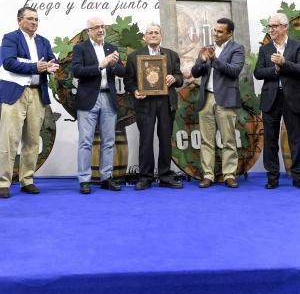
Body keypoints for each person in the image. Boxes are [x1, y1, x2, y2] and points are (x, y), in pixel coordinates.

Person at [0, 6, 59, 198]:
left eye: (36, 19)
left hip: (37, 93)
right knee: (9, 139)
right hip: (15, 93)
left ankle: (27, 179)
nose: (34, 22)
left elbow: (53, 60)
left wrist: (52, 66)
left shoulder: (43, 41)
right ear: (19, 20)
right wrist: (35, 66)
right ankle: (3, 182)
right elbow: (8, 62)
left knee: (33, 140)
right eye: (30, 19)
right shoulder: (10, 38)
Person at [124, 23, 184, 190]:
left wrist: (175, 78)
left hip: (166, 102)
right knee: (146, 140)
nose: (153, 35)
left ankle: (165, 175)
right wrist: (135, 91)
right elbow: (128, 80)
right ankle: (145, 177)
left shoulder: (172, 55)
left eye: (156, 32)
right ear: (144, 37)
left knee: (165, 140)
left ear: (161, 35)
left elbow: (180, 77)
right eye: (150, 33)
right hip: (145, 103)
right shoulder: (134, 57)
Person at [72, 16, 125, 194]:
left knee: (108, 141)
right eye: (96, 27)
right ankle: (84, 180)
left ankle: (106, 177)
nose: (101, 30)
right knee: (85, 142)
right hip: (88, 99)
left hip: (108, 99)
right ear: (89, 31)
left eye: (102, 27)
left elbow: (122, 72)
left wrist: (115, 64)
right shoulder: (80, 48)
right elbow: (77, 71)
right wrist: (100, 66)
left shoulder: (112, 48)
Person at [191, 18, 245, 188]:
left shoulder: (237, 49)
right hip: (206, 98)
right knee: (207, 140)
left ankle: (229, 174)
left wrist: (214, 60)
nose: (216, 33)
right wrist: (201, 60)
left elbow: (234, 71)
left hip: (226, 100)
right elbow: (195, 72)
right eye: (215, 30)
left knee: (228, 139)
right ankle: (208, 175)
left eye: (220, 31)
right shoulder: (208, 48)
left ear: (229, 33)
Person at [254, 13, 300, 189]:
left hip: (293, 98)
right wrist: (274, 68)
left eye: (274, 26)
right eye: (269, 26)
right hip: (271, 99)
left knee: (296, 139)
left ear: (285, 27)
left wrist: (284, 63)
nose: (271, 29)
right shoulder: (265, 49)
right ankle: (272, 177)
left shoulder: (297, 46)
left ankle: (298, 175)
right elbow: (258, 73)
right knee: (270, 139)